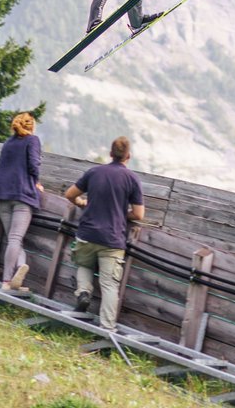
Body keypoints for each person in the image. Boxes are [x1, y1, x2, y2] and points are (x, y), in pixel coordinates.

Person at [64, 136, 145, 330]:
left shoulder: (94, 172)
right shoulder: (132, 179)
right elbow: (138, 214)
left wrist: (82, 203)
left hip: (88, 233)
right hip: (112, 238)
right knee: (109, 285)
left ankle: (84, 292)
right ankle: (107, 328)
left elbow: (70, 194)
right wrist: (120, 212)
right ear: (128, 156)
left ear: (110, 154)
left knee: (84, 264)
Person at [0, 112, 44, 291]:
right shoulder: (32, 140)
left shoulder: (8, 143)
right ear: (31, 126)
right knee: (15, 238)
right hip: (22, 194)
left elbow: (0, 163)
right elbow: (33, 164)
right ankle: (7, 281)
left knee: (14, 239)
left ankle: (19, 269)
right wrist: (37, 183)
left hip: (2, 194)